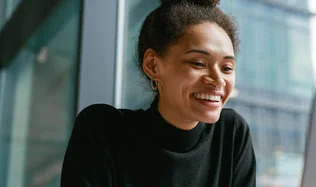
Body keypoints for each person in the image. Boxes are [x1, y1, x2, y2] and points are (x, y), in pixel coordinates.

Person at [60, 0, 256, 186]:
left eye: (227, 68)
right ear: (153, 65)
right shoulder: (103, 132)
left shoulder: (231, 135)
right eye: (198, 63)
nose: (218, 80)